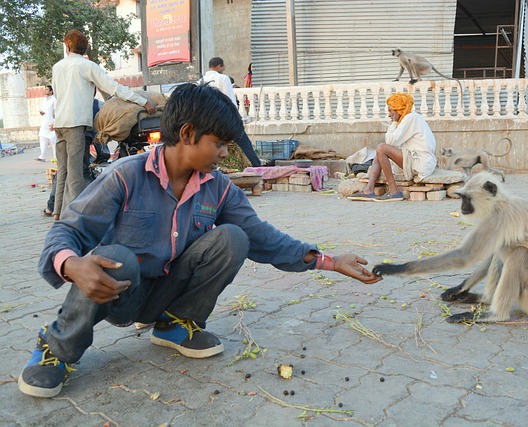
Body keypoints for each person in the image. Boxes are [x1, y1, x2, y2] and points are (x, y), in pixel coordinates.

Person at [18, 84, 380, 398]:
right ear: (188, 133)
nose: (225, 153)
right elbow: (68, 230)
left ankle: (174, 325)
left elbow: (262, 238)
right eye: (220, 143)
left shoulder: (219, 188)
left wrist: (328, 261)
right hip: (118, 292)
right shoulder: (125, 176)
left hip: (166, 293)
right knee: (115, 257)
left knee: (233, 238)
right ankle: (57, 348)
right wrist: (71, 263)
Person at [51, 29, 156, 220]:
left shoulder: (57, 67)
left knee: (63, 171)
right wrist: (142, 101)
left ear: (67, 47)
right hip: (76, 124)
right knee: (76, 175)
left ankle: (58, 213)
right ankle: (75, 220)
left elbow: (58, 94)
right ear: (84, 48)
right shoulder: (87, 66)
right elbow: (113, 88)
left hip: (60, 123)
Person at [348, 93, 437, 202]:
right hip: (415, 160)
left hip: (420, 163)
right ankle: (368, 190)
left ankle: (394, 191)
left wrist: (394, 122)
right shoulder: (407, 120)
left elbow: (390, 141)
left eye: (391, 111)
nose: (389, 115)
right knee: (378, 152)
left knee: (381, 148)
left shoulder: (411, 118)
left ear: (398, 110)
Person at [199, 57, 261, 167]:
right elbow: (230, 99)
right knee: (244, 142)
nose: (223, 69)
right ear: (219, 66)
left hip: (210, 121)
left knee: (213, 144)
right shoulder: (223, 78)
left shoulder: (201, 81)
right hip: (226, 117)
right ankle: (257, 165)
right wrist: (237, 118)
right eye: (223, 67)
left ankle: (211, 166)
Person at [36, 85, 56, 162]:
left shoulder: (54, 100)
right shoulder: (44, 100)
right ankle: (42, 156)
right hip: (44, 121)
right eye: (45, 89)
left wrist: (55, 123)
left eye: (47, 89)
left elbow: (55, 112)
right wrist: (41, 112)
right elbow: (42, 109)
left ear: (51, 91)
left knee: (53, 140)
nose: (45, 91)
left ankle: (56, 157)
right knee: (42, 137)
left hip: (51, 122)